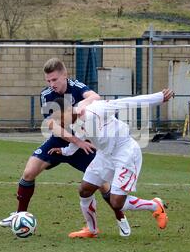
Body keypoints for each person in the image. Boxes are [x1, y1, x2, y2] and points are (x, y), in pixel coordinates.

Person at [0, 57, 131, 236]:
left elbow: (95, 97)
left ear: (64, 76)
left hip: (83, 144)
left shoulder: (76, 86)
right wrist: (75, 141)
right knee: (29, 172)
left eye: (54, 80)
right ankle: (20, 215)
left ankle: (121, 218)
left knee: (102, 185)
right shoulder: (46, 95)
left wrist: (81, 106)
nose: (51, 84)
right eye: (48, 81)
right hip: (60, 141)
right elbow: (52, 125)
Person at [48, 88, 174, 238]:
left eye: (60, 118)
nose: (60, 123)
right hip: (105, 156)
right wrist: (63, 151)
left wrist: (159, 97)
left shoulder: (96, 109)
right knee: (85, 190)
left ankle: (155, 205)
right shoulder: (75, 123)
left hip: (125, 153)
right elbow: (80, 139)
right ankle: (92, 229)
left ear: (69, 110)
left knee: (116, 202)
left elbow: (127, 103)